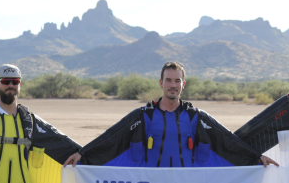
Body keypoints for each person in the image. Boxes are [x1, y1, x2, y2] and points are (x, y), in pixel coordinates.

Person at [63, 61, 276, 167]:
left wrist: (256, 158)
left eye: (177, 81)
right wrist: (84, 153)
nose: (172, 85)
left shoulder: (196, 117)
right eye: (168, 80)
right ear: (161, 83)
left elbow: (227, 140)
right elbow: (112, 137)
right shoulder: (143, 116)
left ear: (183, 84)